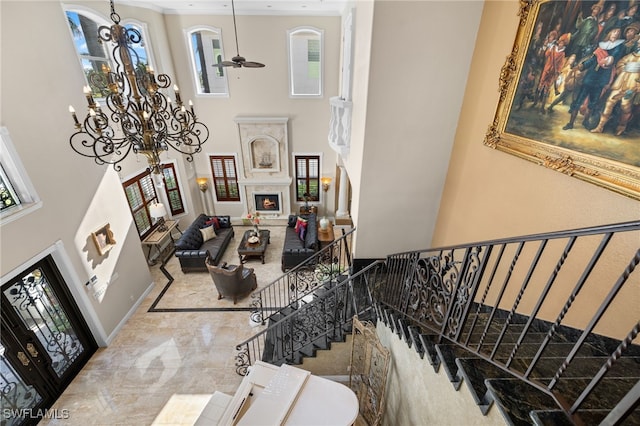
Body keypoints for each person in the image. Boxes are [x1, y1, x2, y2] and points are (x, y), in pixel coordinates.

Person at [563, 26, 627, 130]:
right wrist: (582, 66)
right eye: (613, 31)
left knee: (592, 103)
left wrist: (608, 60)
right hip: (590, 77)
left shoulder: (619, 47)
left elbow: (612, 59)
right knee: (578, 101)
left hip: (601, 79)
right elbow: (592, 60)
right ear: (609, 33)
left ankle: (585, 121)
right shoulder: (601, 47)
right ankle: (570, 123)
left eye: (617, 33)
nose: (615, 34)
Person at [590, 41, 640, 135]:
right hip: (619, 84)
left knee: (625, 106)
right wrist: (625, 68)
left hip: (632, 86)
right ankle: (600, 126)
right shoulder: (631, 55)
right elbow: (620, 64)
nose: (639, 44)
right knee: (609, 103)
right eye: (638, 43)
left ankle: (622, 126)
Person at [534, 33, 570, 113]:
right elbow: (546, 55)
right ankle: (535, 101)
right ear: (558, 42)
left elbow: (561, 64)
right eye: (560, 42)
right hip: (547, 69)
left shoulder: (562, 53)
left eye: (563, 43)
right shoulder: (553, 48)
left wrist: (557, 72)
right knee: (540, 84)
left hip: (553, 72)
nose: (561, 44)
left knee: (547, 88)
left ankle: (542, 107)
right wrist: (549, 49)